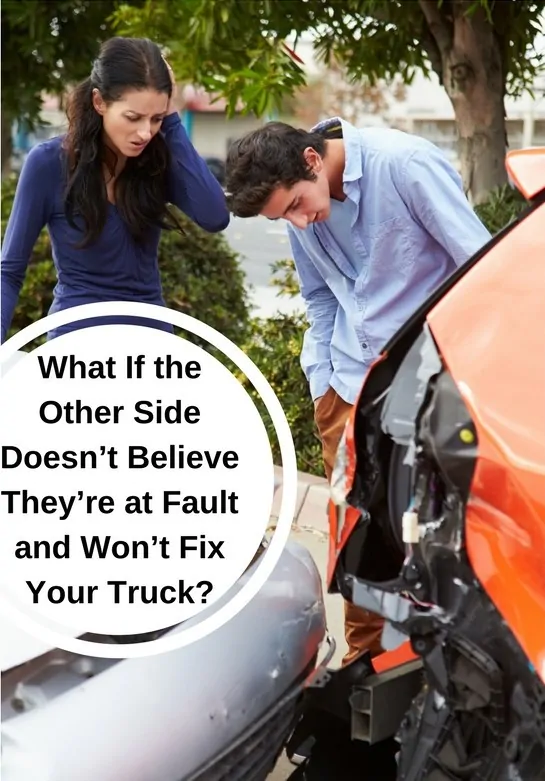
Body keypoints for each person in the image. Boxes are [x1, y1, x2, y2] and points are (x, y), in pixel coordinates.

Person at [225, 116, 491, 665]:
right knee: (359, 544)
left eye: (297, 204)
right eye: (284, 218)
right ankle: (366, 669)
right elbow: (320, 299)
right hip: (347, 391)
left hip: (429, 389)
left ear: (311, 160)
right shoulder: (303, 215)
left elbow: (480, 268)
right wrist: (323, 384)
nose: (299, 221)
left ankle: (445, 678)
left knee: (435, 540)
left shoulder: (406, 166)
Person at [1, 37, 230, 344]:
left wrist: (173, 121)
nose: (145, 132)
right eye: (133, 117)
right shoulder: (48, 163)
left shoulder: (157, 160)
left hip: (151, 351)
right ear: (99, 102)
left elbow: (214, 216)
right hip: (76, 348)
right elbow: (9, 270)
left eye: (157, 118)